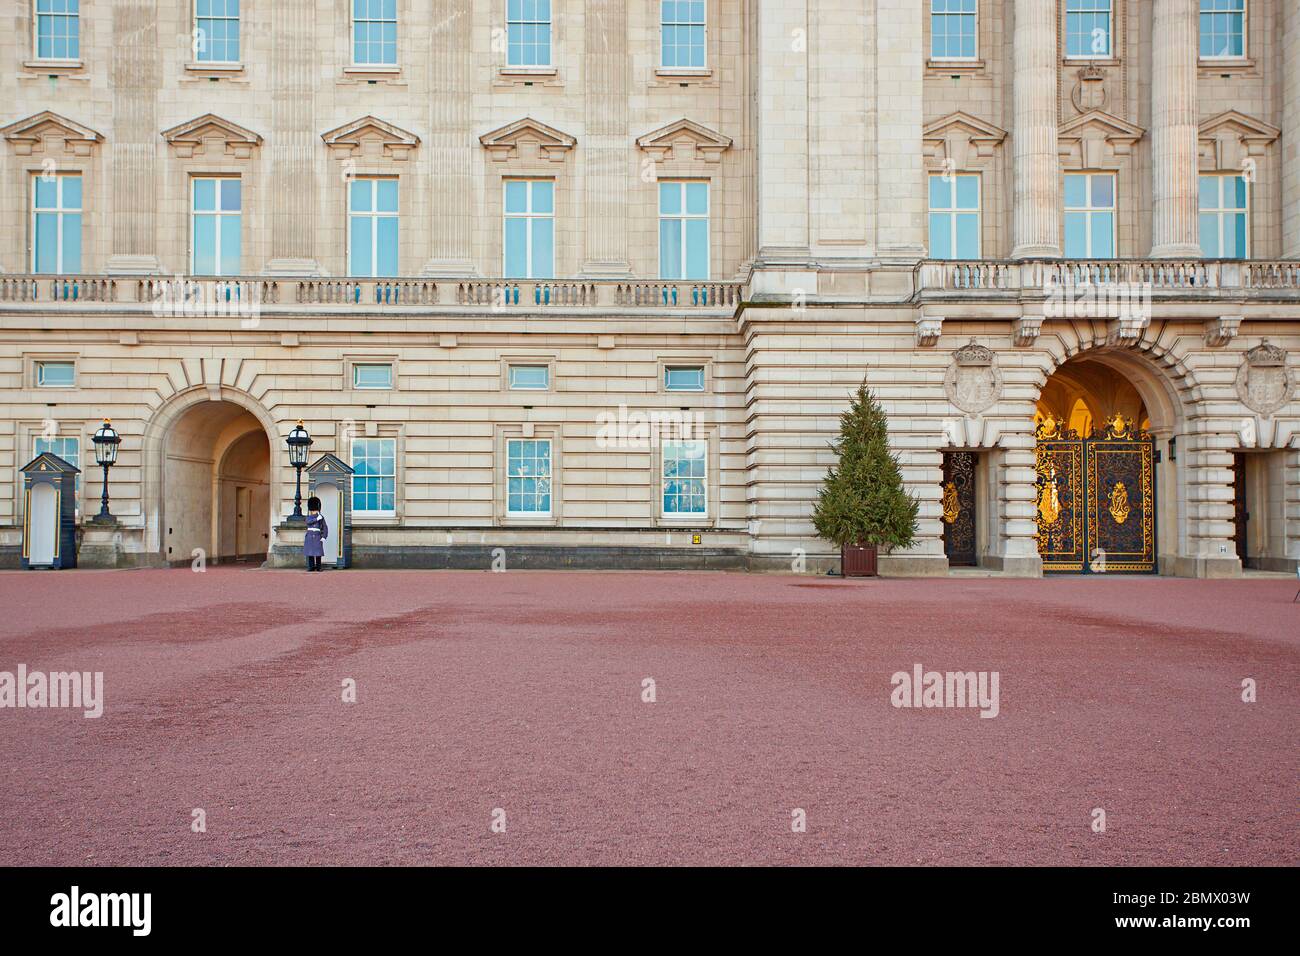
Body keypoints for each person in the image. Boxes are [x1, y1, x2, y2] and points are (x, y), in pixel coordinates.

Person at [304, 496, 328, 572]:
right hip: (310, 536)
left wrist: (324, 536)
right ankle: (311, 567)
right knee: (310, 553)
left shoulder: (321, 517)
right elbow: (308, 522)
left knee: (318, 553)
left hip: (318, 536)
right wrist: (316, 519)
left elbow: (325, 527)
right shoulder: (309, 517)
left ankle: (318, 567)